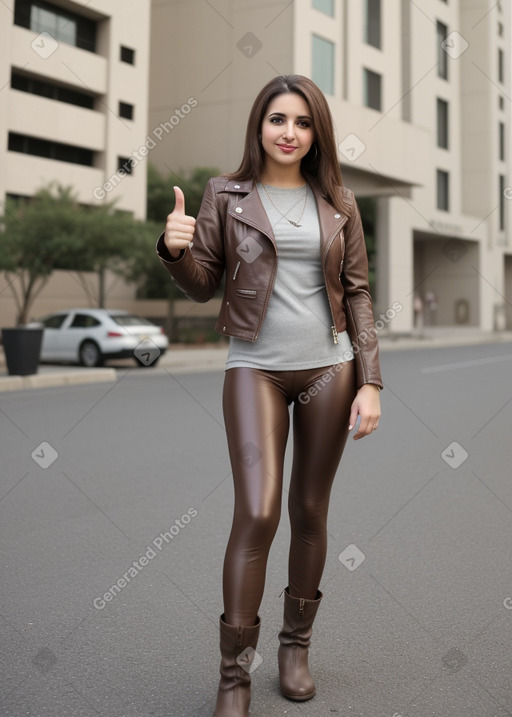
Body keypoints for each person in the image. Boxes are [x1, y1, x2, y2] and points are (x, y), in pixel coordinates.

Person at [156, 74, 383, 717]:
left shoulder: (337, 199)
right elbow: (204, 285)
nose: (290, 133)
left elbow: (360, 292)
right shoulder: (225, 196)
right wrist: (174, 251)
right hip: (253, 365)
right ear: (259, 125)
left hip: (329, 368)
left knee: (309, 509)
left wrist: (370, 379)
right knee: (257, 512)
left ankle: (295, 646)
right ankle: (233, 675)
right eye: (278, 119)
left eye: (303, 122)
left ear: (317, 134)